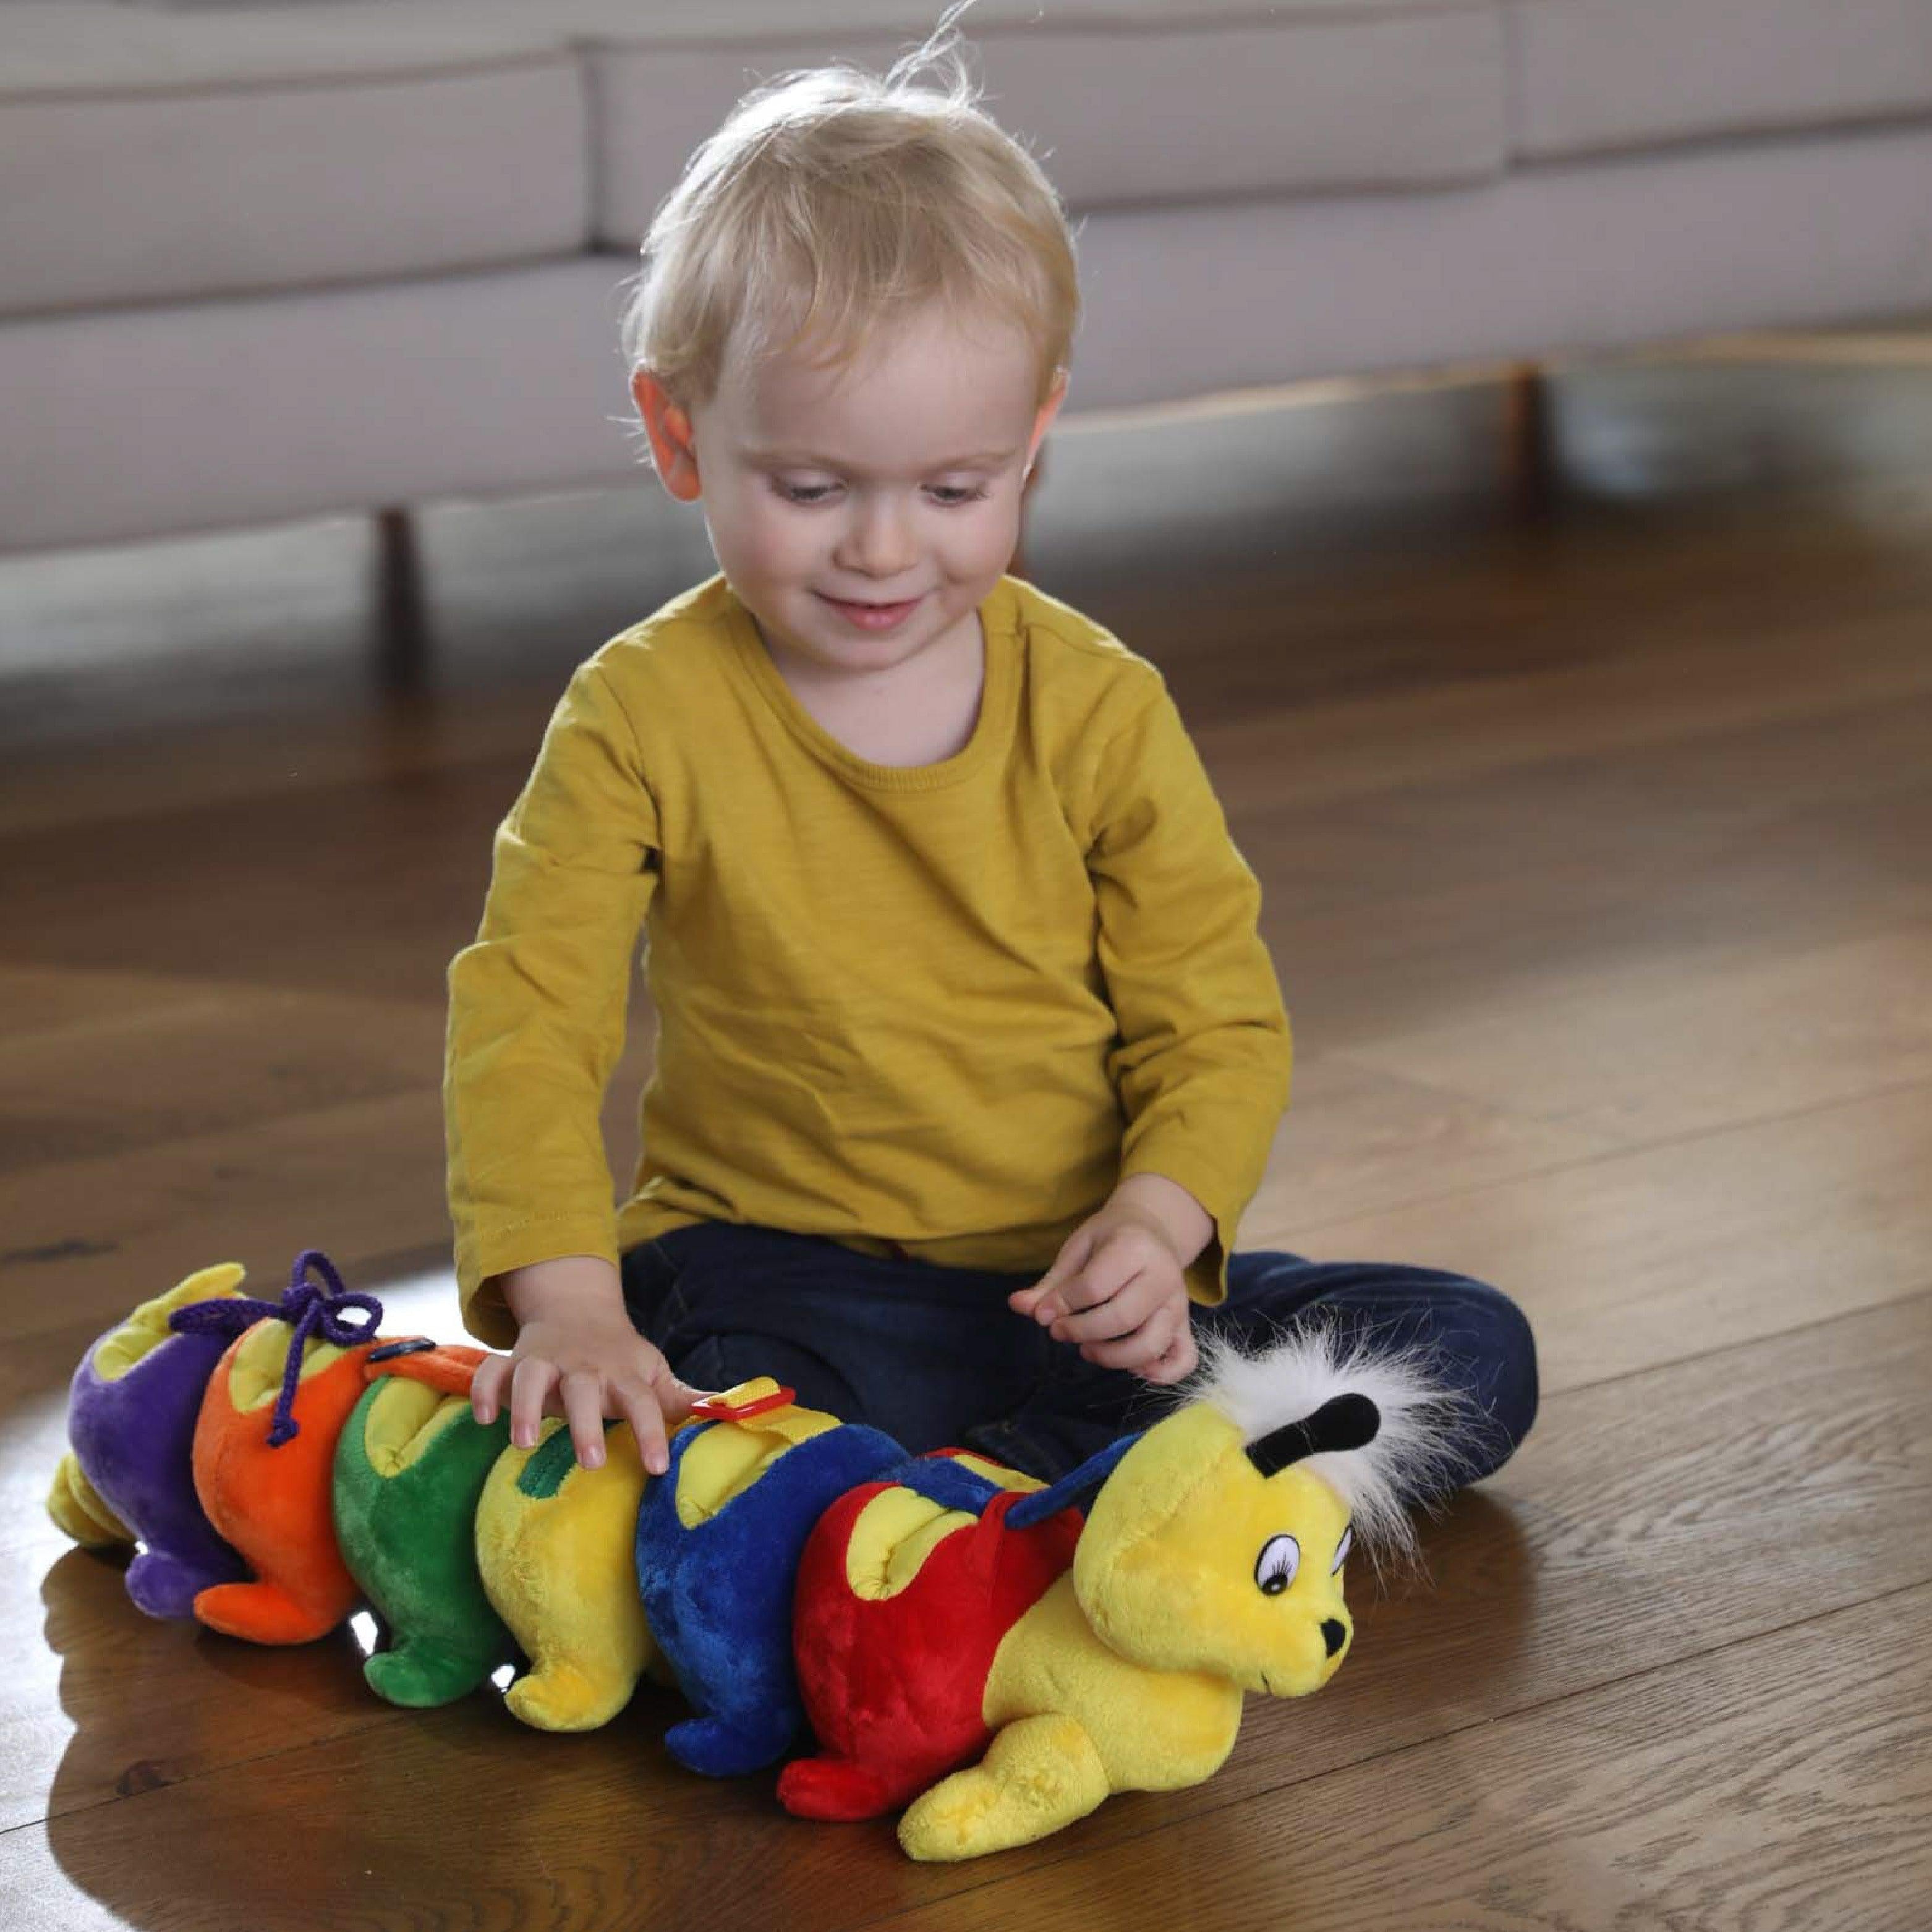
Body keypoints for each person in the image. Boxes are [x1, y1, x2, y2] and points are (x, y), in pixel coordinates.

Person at [445, 7, 1538, 1496]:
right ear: (680, 434)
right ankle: (1083, 1505)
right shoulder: (639, 713)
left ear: (1034, 441)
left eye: (956, 487)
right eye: (815, 485)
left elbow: (1214, 1021)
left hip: (1071, 1289)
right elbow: (527, 1021)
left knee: (1468, 1345)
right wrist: (567, 1303)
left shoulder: (1096, 703)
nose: (885, 549)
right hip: (786, 1280)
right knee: (703, 1410)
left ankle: (985, 1500)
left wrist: (1154, 1233)